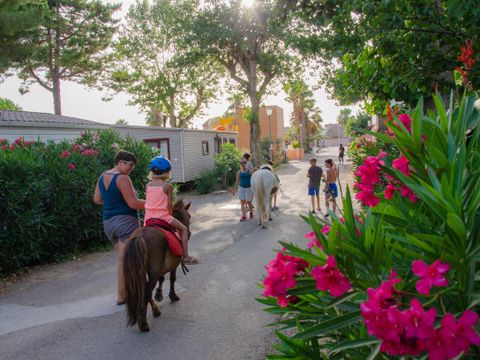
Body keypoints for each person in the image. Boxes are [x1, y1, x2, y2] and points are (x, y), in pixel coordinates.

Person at [93, 150, 145, 305]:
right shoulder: (122, 179)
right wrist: (153, 202)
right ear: (121, 162)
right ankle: (122, 295)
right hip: (125, 223)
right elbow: (133, 203)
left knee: (123, 258)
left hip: (109, 224)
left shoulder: (102, 177)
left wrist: (113, 203)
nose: (130, 170)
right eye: (130, 166)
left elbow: (97, 199)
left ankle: (126, 292)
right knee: (127, 260)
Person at [144, 156, 198, 264]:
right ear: (166, 172)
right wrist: (170, 213)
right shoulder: (167, 186)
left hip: (148, 218)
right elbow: (169, 206)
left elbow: (149, 201)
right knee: (183, 229)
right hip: (163, 217)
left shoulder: (148, 185)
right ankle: (186, 257)